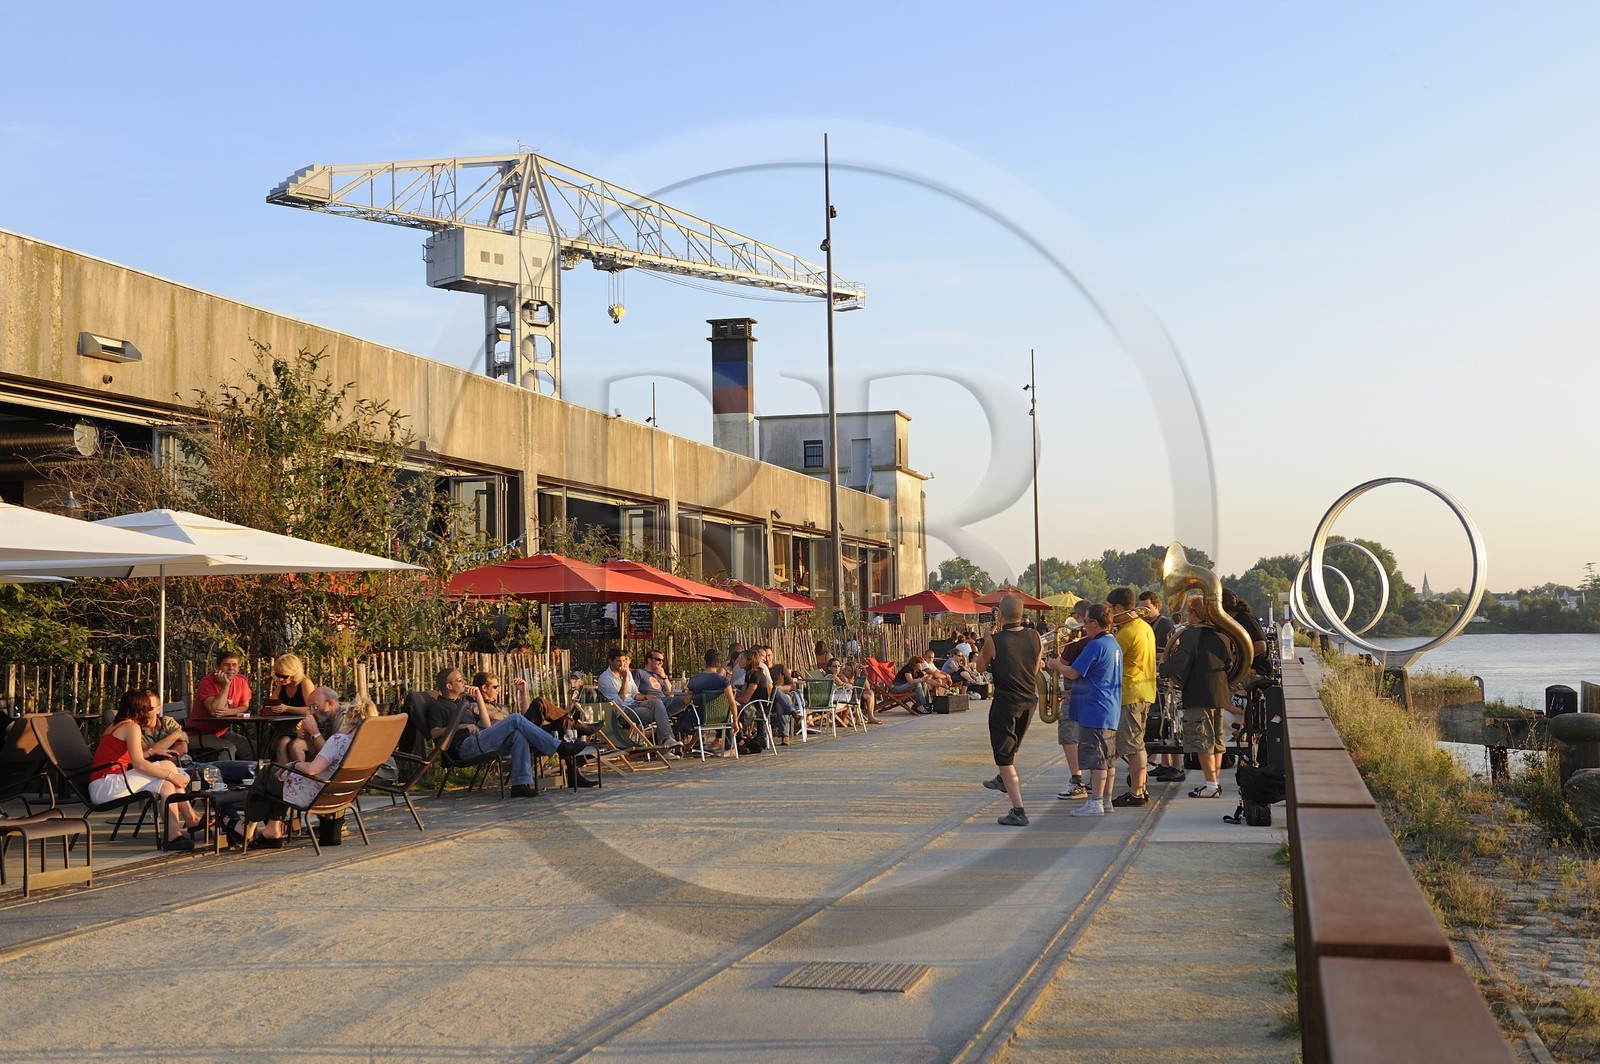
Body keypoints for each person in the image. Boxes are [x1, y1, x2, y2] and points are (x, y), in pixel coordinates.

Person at [426, 667, 587, 798]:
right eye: (459, 680)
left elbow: (486, 724)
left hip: (481, 740)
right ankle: (559, 747)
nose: (464, 682)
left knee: (518, 735)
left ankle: (520, 785)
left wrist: (479, 698)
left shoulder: (464, 702)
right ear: (448, 686)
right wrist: (462, 727)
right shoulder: (438, 706)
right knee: (516, 719)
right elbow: (434, 733)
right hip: (464, 747)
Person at [234, 698, 375, 847]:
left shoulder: (339, 740)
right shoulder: (367, 743)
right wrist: (309, 739)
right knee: (279, 777)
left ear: (350, 718)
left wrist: (294, 764)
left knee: (267, 773)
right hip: (342, 795)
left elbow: (312, 769)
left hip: (316, 794)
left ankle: (248, 828)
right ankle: (272, 830)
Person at [91, 689, 206, 851]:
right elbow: (138, 764)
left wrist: (152, 752)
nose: (149, 714)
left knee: (166, 785)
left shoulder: (115, 725)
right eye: (147, 709)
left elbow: (127, 757)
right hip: (107, 784)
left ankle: (173, 836)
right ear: (139, 710)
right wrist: (172, 775)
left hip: (105, 783)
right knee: (168, 767)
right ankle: (191, 817)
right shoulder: (131, 727)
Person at [976, 594, 1044, 827]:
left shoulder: (995, 640)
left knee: (1004, 756)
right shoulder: (1035, 635)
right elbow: (1035, 668)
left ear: (1000, 614)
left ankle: (1018, 810)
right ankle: (1003, 780)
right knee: (1011, 747)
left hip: (1006, 700)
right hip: (1029, 699)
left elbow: (980, 667)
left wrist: (986, 640)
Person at [1160, 597, 1233, 798]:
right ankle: (1214, 782)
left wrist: (1161, 668)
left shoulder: (1191, 634)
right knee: (1217, 739)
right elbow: (1229, 662)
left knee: (1202, 740)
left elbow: (1178, 664)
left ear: (1194, 613)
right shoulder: (1223, 634)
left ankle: (1210, 785)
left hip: (1198, 693)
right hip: (1219, 693)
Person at [1057, 604, 1123, 817]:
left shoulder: (1096, 645)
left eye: (1086, 622)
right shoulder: (1114, 643)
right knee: (1108, 758)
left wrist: (1054, 665)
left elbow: (1074, 672)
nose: (1084, 627)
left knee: (1097, 761)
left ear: (1095, 623)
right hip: (1108, 708)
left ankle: (1095, 803)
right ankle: (1106, 800)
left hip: (1095, 710)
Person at [1108, 586, 1157, 809]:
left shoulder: (1126, 633)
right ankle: (1141, 788)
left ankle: (1136, 792)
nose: (1109, 612)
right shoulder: (1145, 627)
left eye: (1110, 608)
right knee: (1138, 744)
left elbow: (1109, 662)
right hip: (1144, 691)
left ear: (1118, 607)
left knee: (1133, 746)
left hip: (1130, 693)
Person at [1045, 599, 1091, 800]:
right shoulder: (1098, 640)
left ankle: (1076, 779)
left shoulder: (1077, 642)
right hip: (1090, 696)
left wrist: (1053, 663)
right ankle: (1090, 780)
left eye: (1074, 614)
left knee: (1068, 736)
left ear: (1079, 617)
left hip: (1075, 695)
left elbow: (1062, 665)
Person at [597, 648, 678, 757]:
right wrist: (625, 680)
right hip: (623, 710)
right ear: (610, 661)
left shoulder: (627, 672)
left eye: (623, 661)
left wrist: (645, 696)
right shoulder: (605, 679)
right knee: (659, 713)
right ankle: (665, 750)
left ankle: (668, 739)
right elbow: (620, 701)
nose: (622, 664)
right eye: (618, 661)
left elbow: (635, 693)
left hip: (636, 704)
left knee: (657, 702)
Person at [1139, 590, 1185, 783]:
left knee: (1172, 724)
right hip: (1151, 682)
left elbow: (1171, 653)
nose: (1142, 611)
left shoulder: (1164, 624)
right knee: (1162, 727)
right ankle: (1165, 765)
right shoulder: (1144, 624)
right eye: (1140, 608)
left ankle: (1177, 766)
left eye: (1146, 608)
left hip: (1167, 684)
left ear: (1157, 606)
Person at [186, 649, 254, 759]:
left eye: (234, 665)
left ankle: (252, 775)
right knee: (228, 748)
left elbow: (245, 706)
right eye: (226, 665)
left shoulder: (241, 681)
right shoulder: (207, 682)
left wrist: (228, 712)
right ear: (217, 668)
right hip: (196, 734)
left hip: (221, 733)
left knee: (253, 747)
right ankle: (225, 775)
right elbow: (215, 711)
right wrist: (226, 686)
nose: (231, 668)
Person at [266, 653, 316, 765]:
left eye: (284, 676)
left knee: (291, 745)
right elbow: (271, 703)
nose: (280, 679)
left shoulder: (304, 684)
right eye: (278, 675)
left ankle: (298, 775)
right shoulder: (282, 685)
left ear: (294, 673)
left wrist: (287, 708)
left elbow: (312, 709)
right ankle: (283, 775)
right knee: (281, 743)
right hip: (285, 726)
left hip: (302, 725)